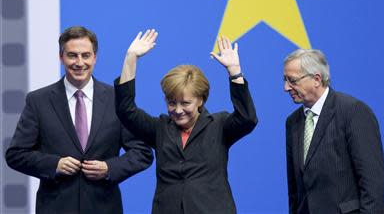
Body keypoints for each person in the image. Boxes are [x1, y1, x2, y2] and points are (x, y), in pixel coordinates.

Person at [5, 26, 153, 214]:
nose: (79, 62)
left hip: (104, 207)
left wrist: (109, 168)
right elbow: (16, 154)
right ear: (61, 57)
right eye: (72, 55)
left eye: (85, 55)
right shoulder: (38, 101)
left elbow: (142, 152)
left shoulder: (116, 99)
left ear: (95, 57)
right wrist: (54, 164)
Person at [114, 29, 257, 214]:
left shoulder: (219, 125)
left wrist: (235, 73)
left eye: (186, 103)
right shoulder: (160, 128)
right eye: (172, 103)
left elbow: (248, 119)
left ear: (201, 100)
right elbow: (125, 110)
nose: (178, 110)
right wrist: (131, 58)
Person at [284, 49, 384, 214]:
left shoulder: (353, 112)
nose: (286, 88)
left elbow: (372, 182)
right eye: (285, 80)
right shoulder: (292, 122)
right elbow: (295, 190)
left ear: (316, 79)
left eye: (292, 81)